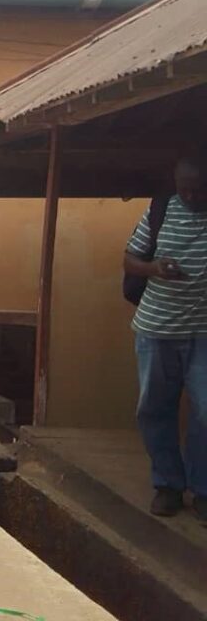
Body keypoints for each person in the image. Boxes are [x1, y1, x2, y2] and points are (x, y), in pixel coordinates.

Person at [123, 154, 207, 522]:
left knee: (206, 410)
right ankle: (169, 485)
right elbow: (129, 260)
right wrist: (155, 268)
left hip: (203, 331)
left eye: (197, 190)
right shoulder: (161, 210)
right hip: (157, 330)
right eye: (183, 189)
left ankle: (203, 489)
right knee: (155, 408)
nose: (190, 196)